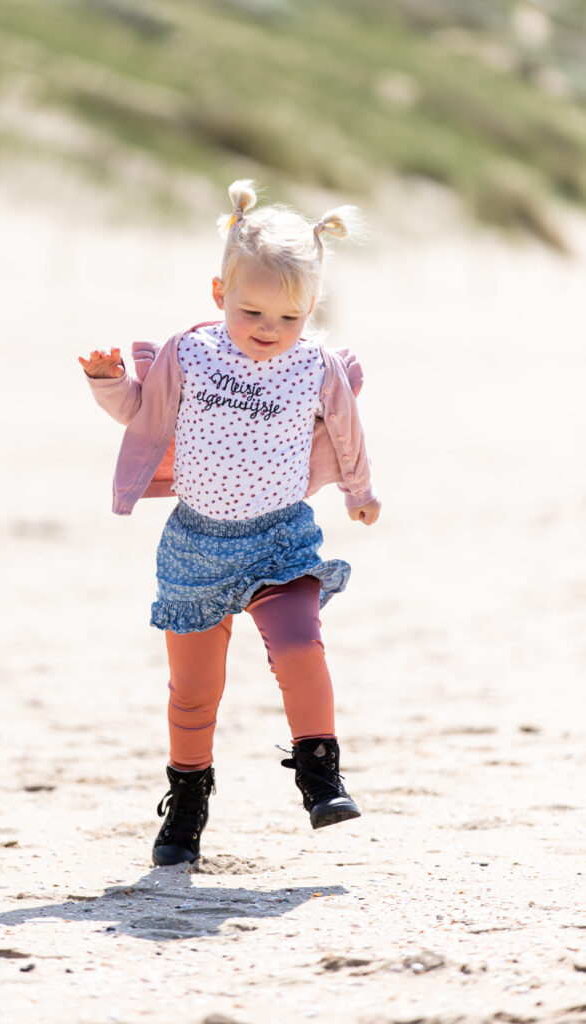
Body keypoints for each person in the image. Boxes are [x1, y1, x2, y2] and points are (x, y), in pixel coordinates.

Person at [79, 180, 381, 866]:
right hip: (196, 544)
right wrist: (107, 383)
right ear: (219, 295)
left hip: (280, 535)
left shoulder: (315, 367)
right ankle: (186, 803)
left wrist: (359, 491)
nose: (269, 330)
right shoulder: (191, 353)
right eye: (251, 311)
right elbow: (143, 415)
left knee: (300, 645)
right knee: (193, 691)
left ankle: (318, 771)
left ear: (310, 311)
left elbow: (347, 429)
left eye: (290, 317)